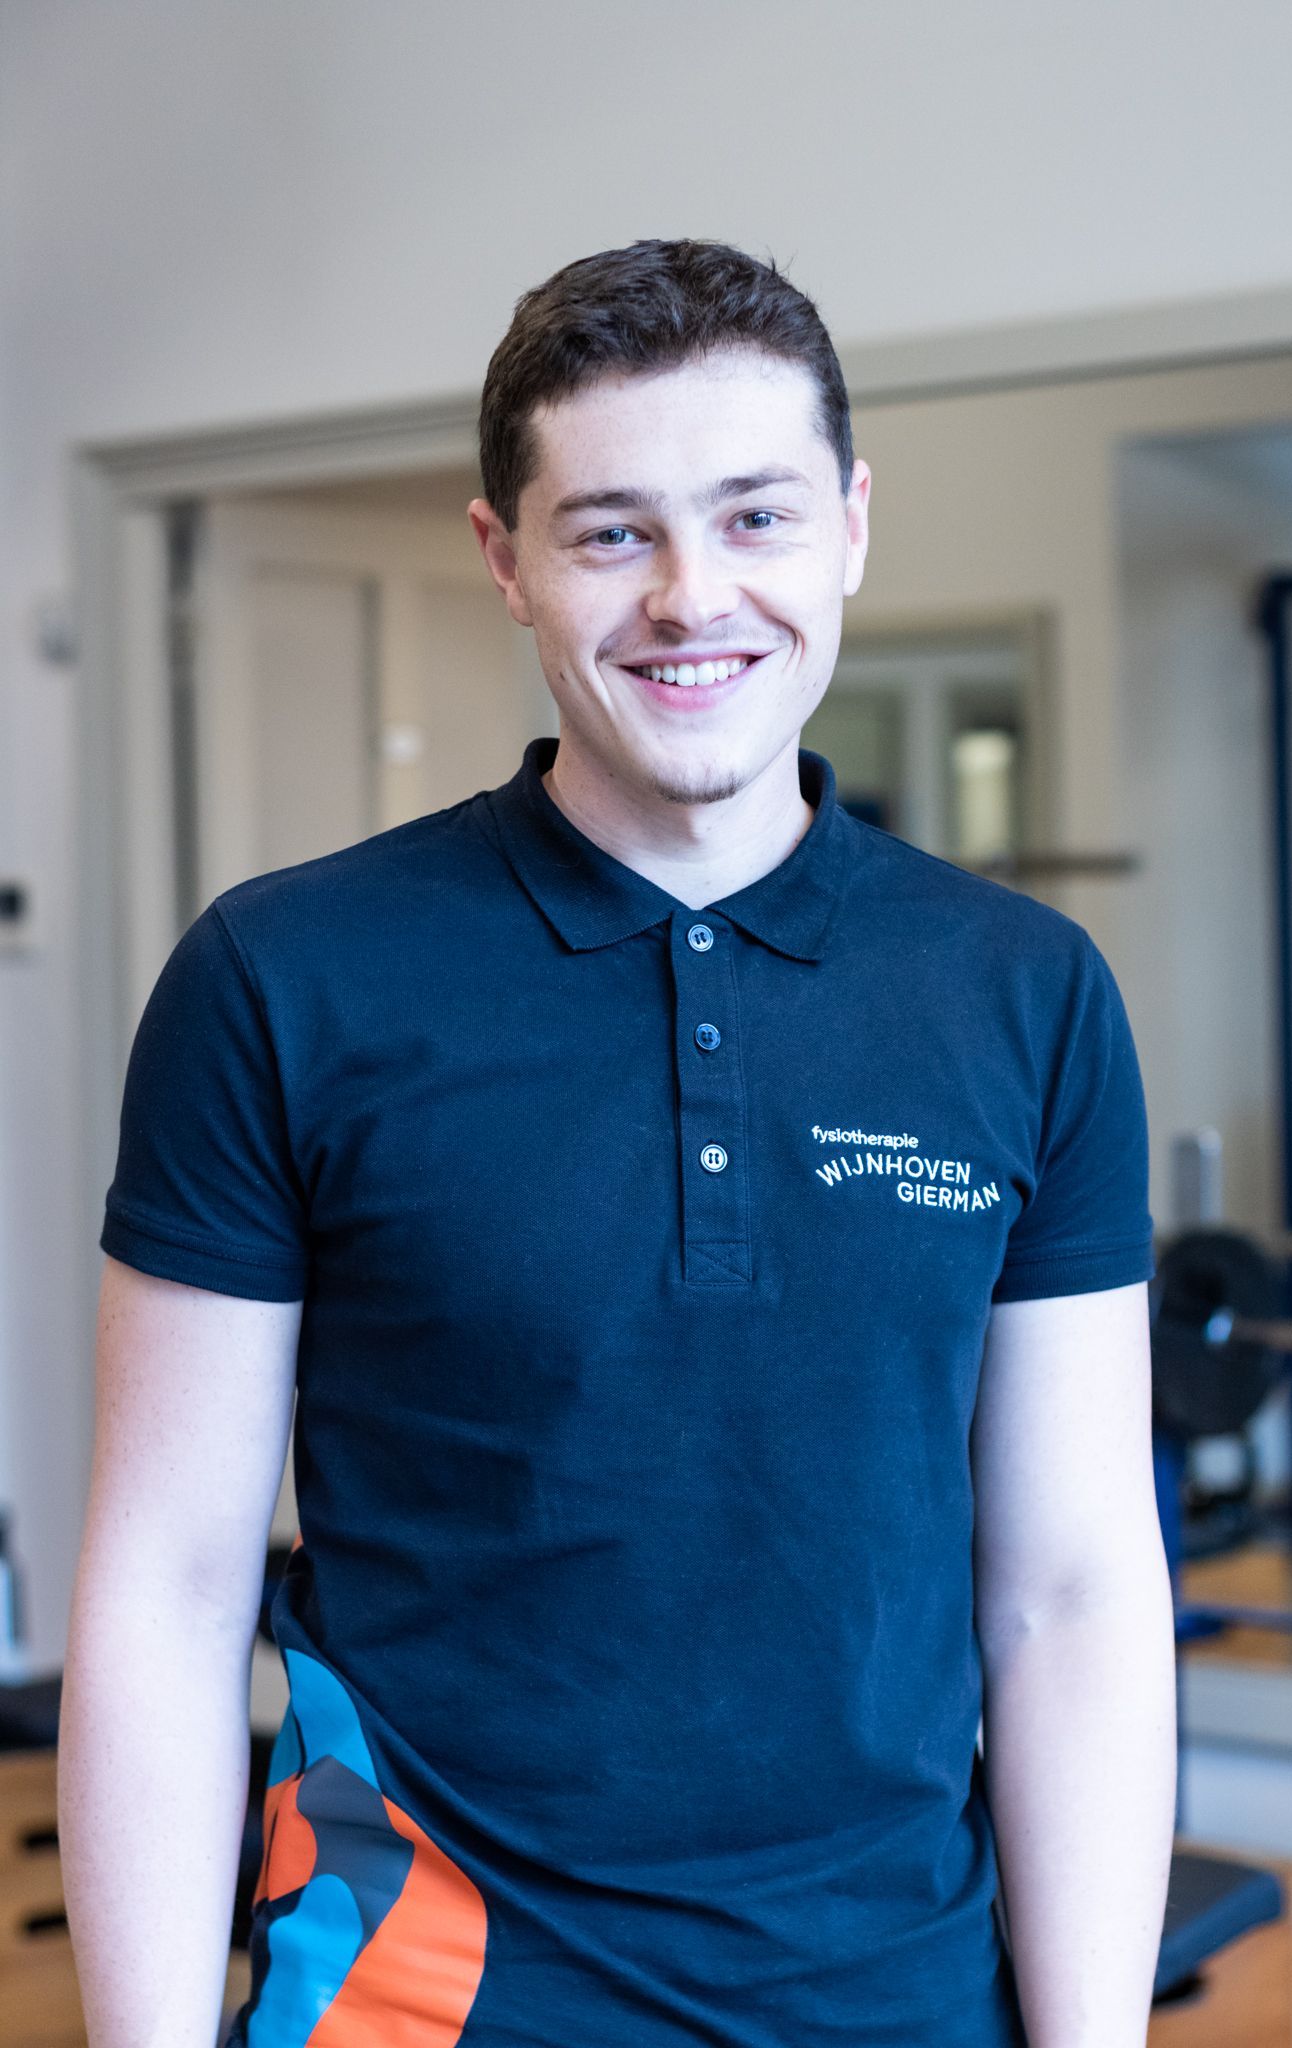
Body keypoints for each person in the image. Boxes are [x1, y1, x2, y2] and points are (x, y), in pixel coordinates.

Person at [59, 239, 1176, 2048]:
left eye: (755, 517)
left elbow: (1069, 1592)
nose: (690, 596)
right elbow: (170, 1592)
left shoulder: (1025, 993)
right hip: (416, 2004)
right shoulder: (283, 977)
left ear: (849, 526)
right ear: (505, 557)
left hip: (897, 2000)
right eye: (610, 532)